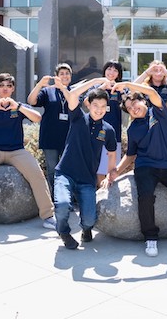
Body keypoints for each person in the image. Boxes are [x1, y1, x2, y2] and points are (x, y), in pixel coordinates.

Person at [108, 82, 167, 258]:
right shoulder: (132, 128)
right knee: (146, 197)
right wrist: (115, 171)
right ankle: (150, 237)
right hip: (146, 167)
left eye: (135, 104)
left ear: (143, 101)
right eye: (129, 108)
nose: (133, 109)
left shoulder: (158, 112)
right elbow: (131, 155)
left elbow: (151, 92)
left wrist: (127, 84)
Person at [0, 73, 57, 234]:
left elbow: (37, 118)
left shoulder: (18, 106)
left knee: (36, 172)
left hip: (16, 151)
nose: (5, 89)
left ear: (13, 89)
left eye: (8, 86)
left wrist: (19, 107)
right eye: (1, 86)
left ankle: (48, 216)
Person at [54, 80, 117, 249]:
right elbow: (73, 94)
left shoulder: (108, 130)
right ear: (88, 105)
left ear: (107, 108)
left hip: (87, 179)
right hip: (65, 173)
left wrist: (111, 173)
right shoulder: (78, 118)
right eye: (95, 105)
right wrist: (96, 81)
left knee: (90, 218)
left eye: (103, 106)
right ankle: (64, 231)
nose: (99, 109)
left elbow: (112, 153)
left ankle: (86, 228)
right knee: (62, 206)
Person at [27, 63, 74, 197]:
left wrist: (64, 89)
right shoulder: (48, 91)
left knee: (68, 169)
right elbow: (31, 101)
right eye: (61, 74)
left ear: (70, 76)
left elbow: (74, 104)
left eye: (67, 73)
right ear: (56, 76)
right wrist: (39, 84)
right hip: (50, 137)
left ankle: (67, 196)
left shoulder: (74, 91)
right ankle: (55, 197)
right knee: (52, 169)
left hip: (69, 138)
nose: (64, 76)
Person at [83, 60, 125, 186]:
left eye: (115, 70)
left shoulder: (120, 88)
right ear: (104, 71)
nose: (111, 73)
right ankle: (99, 194)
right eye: (109, 69)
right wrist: (102, 87)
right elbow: (86, 102)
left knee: (111, 166)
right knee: (98, 166)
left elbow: (128, 105)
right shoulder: (96, 87)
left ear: (119, 74)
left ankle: (109, 195)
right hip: (95, 131)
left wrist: (122, 91)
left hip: (114, 133)